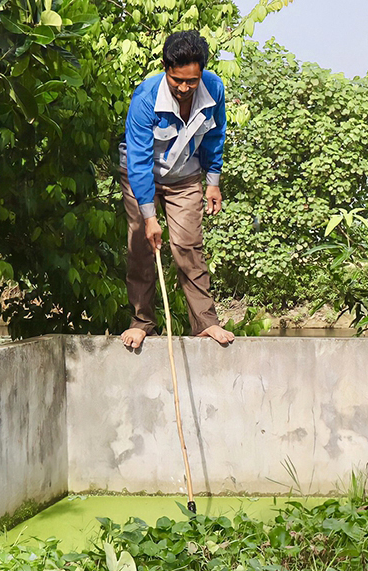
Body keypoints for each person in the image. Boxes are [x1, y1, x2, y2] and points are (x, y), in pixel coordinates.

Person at [118, 30, 235, 349]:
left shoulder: (214, 88)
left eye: (192, 81)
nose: (184, 88)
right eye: (177, 80)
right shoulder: (145, 98)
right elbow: (139, 161)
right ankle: (142, 321)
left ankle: (205, 322)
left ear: (201, 73)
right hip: (141, 175)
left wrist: (213, 182)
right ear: (166, 69)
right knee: (141, 245)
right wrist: (149, 217)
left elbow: (215, 135)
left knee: (187, 245)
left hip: (184, 176)